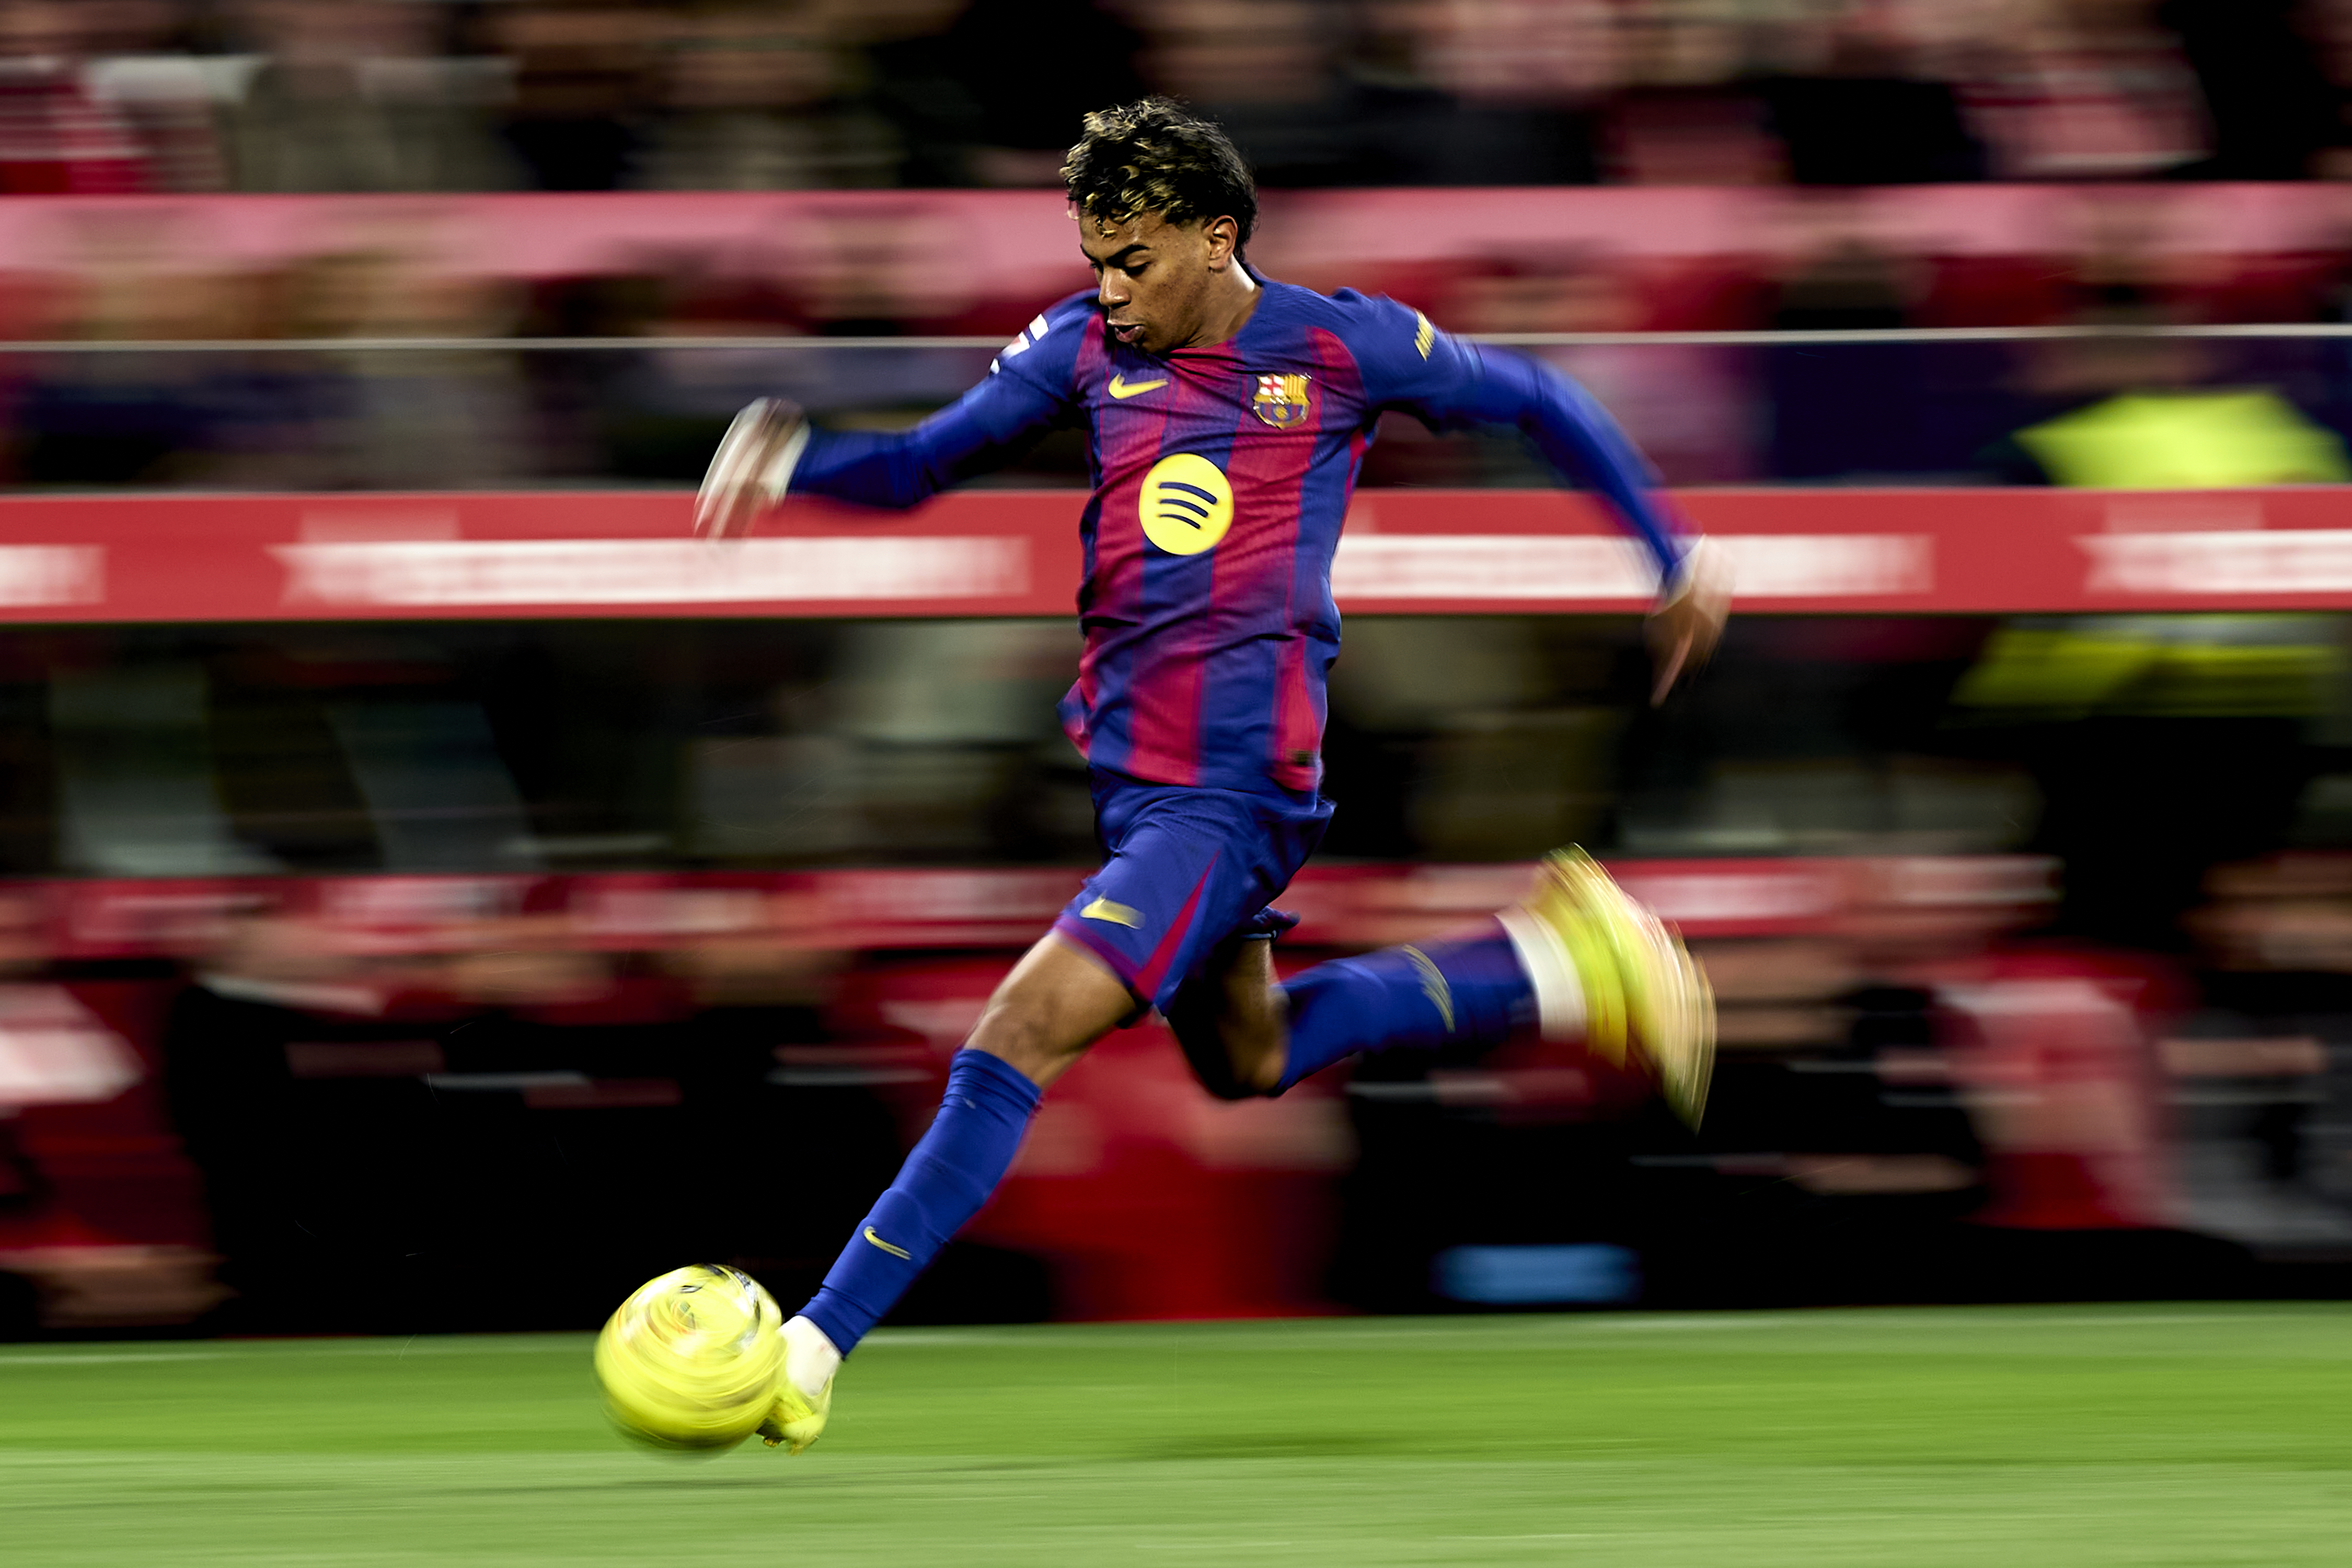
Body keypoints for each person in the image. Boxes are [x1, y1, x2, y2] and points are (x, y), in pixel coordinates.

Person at [690, 98, 1730, 1455]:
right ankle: (1550, 965)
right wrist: (793, 460)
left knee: (1015, 1036)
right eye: (1094, 258)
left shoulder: (1337, 345)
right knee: (1247, 1057)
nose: (1107, 288)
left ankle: (811, 1346)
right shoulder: (1075, 351)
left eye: (1133, 259)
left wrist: (1672, 553)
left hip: (1228, 789)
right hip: (1137, 780)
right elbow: (917, 469)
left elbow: (1535, 393)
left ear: (1214, 236)